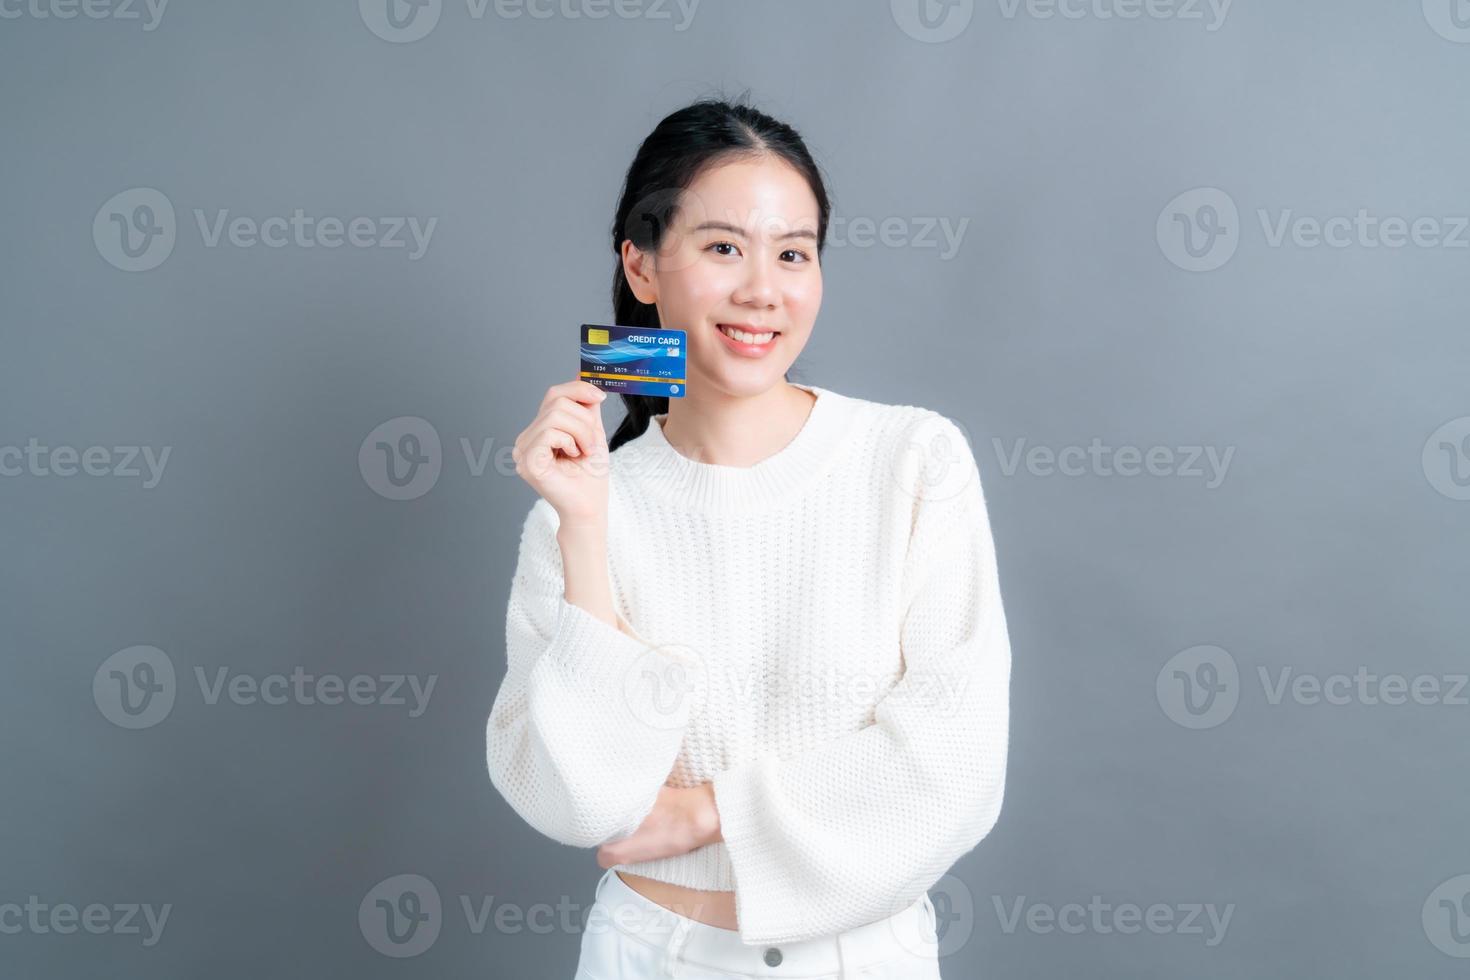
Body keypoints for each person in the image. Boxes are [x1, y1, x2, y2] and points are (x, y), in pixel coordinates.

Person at [486, 93, 1012, 979]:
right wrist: (585, 528)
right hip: (648, 954)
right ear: (642, 267)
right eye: (723, 247)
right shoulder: (580, 507)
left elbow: (954, 769)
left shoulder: (914, 463)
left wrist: (710, 813)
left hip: (862, 960)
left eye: (793, 253)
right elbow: (582, 803)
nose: (763, 290)